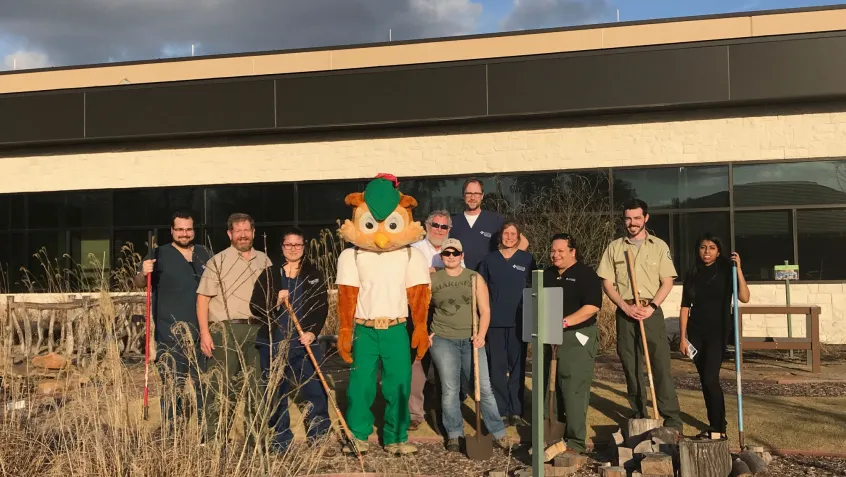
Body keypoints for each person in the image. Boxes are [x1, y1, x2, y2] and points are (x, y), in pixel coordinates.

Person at [597, 199, 683, 432]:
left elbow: (667, 281)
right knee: (630, 364)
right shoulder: (615, 247)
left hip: (650, 311)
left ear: (645, 218)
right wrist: (625, 308)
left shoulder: (658, 246)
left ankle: (671, 418)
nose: (632, 223)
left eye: (636, 218)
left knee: (660, 365)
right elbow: (607, 282)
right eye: (628, 218)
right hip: (626, 311)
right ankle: (638, 413)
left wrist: (652, 306)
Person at [427, 238, 515, 452]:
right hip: (443, 339)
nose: (450, 257)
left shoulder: (474, 278)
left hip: (471, 339)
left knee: (483, 387)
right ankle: (454, 434)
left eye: (455, 253)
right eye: (446, 253)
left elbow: (485, 311)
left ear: (462, 256)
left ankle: (497, 432)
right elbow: (421, 308)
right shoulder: (433, 280)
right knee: (450, 389)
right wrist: (425, 332)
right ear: (442, 256)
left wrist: (481, 335)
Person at [249, 227, 331, 452]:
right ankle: (281, 439)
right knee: (276, 392)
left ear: (303, 247)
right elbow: (255, 306)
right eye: (289, 245)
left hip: (304, 342)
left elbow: (321, 306)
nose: (293, 249)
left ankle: (319, 436)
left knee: (315, 390)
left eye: (298, 245)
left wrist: (312, 331)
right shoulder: (270, 274)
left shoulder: (314, 273)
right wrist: (275, 301)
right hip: (273, 342)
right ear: (282, 247)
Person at [196, 213, 272, 444]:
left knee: (256, 386)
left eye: (246, 230)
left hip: (257, 329)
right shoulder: (217, 262)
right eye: (237, 231)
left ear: (253, 232)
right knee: (221, 386)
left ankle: (256, 440)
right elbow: (202, 299)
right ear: (230, 234)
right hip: (225, 330)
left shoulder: (264, 260)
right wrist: (205, 333)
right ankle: (212, 439)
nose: (242, 235)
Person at [134, 210, 212, 433]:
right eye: (179, 229)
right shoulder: (158, 254)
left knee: (204, 383)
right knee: (172, 384)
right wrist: (143, 272)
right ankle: (172, 431)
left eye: (188, 229)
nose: (184, 234)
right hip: (171, 332)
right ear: (172, 231)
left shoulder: (204, 253)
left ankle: (207, 430)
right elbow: (140, 282)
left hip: (203, 332)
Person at [679, 233, 750, 439]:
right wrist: (683, 338)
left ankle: (719, 429)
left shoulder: (728, 271)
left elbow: (744, 297)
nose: (707, 251)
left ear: (719, 251)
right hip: (695, 333)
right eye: (703, 247)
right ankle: (716, 424)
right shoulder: (692, 273)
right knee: (705, 380)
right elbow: (685, 307)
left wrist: (739, 270)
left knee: (711, 379)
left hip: (718, 332)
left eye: (711, 247)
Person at [542, 233, 602, 458]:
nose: (555, 255)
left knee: (573, 388)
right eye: (552, 251)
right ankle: (553, 437)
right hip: (550, 337)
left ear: (572, 251)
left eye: (560, 251)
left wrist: (564, 321)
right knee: (551, 386)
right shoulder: (546, 274)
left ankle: (576, 442)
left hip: (577, 337)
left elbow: (592, 306)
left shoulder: (586, 275)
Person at [407, 209, 463, 431]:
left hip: (447, 314)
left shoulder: (455, 249)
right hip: (419, 312)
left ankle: (443, 411)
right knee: (416, 362)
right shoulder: (414, 250)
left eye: (444, 226)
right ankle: (414, 413)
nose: (439, 230)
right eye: (435, 225)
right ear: (427, 226)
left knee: (445, 364)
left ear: (449, 229)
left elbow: (462, 276)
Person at [478, 221, 535, 426]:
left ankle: (516, 411)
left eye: (513, 234)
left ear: (519, 236)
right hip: (494, 323)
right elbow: (481, 289)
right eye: (506, 233)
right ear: (500, 236)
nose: (509, 237)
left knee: (518, 368)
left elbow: (533, 288)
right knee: (497, 368)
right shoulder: (489, 260)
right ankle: (501, 410)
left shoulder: (527, 260)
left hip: (519, 322)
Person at [450, 178, 528, 272]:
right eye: (469, 193)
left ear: (482, 196)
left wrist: (507, 263)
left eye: (476, 194)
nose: (473, 197)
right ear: (463, 195)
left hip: (488, 279)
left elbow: (523, 242)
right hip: (460, 279)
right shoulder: (452, 222)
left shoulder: (496, 220)